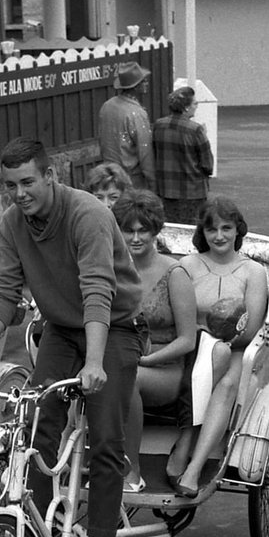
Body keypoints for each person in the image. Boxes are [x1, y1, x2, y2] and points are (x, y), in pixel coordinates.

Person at [0, 137, 144, 537]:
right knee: (37, 425)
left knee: (106, 437)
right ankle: (33, 532)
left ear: (50, 177)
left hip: (114, 328)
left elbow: (99, 291)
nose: (19, 193)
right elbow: (4, 290)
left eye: (28, 182)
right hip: (61, 330)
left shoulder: (88, 214)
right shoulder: (12, 224)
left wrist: (96, 362)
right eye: (10, 186)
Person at [167, 197, 269, 499]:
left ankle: (193, 467)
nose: (220, 236)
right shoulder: (186, 265)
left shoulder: (254, 272)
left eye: (227, 228)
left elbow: (251, 328)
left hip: (234, 349)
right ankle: (186, 443)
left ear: (238, 229)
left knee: (226, 385)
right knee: (212, 362)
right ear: (203, 232)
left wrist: (222, 340)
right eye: (212, 230)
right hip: (191, 347)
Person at [112, 191, 197, 492]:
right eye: (128, 230)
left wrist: (146, 360)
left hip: (165, 368)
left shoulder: (174, 273)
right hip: (122, 356)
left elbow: (188, 340)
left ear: (155, 230)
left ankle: (131, 471)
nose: (135, 238)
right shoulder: (113, 269)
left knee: (128, 377)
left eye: (143, 230)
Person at [152, 85, 214, 225]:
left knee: (171, 228)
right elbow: (207, 164)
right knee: (191, 230)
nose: (196, 105)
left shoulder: (158, 125)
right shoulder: (195, 130)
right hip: (192, 192)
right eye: (194, 103)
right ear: (186, 108)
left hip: (166, 190)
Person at [98, 62, 156, 190]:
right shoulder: (137, 114)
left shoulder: (107, 106)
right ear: (136, 87)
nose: (146, 84)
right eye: (144, 82)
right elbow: (145, 151)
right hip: (131, 177)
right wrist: (152, 181)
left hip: (108, 172)